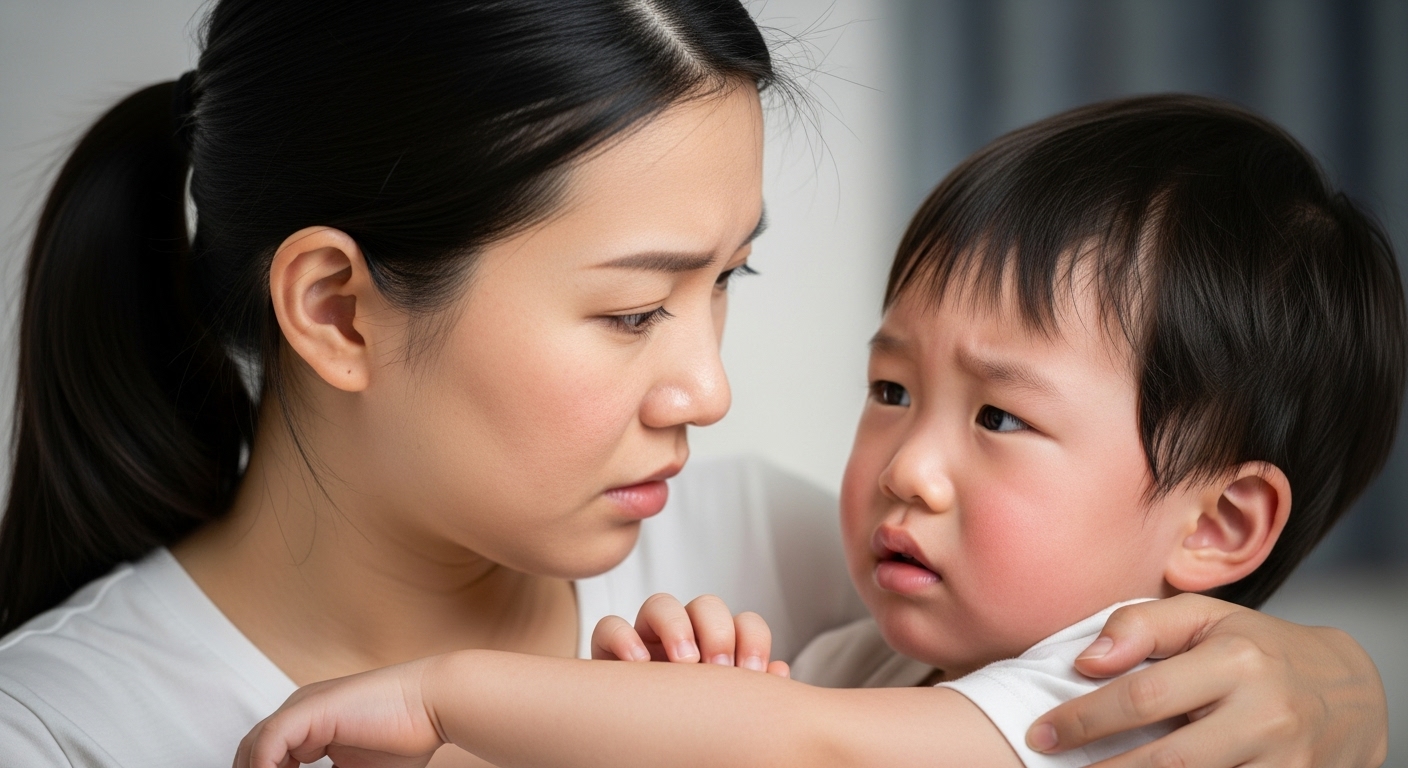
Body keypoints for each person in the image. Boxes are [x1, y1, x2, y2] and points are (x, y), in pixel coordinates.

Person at [0, 0, 1386, 764]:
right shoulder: (63, 728)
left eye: (731, 285)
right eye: (633, 310)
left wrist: (1336, 684)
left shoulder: (799, 557)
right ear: (337, 311)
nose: (708, 389)